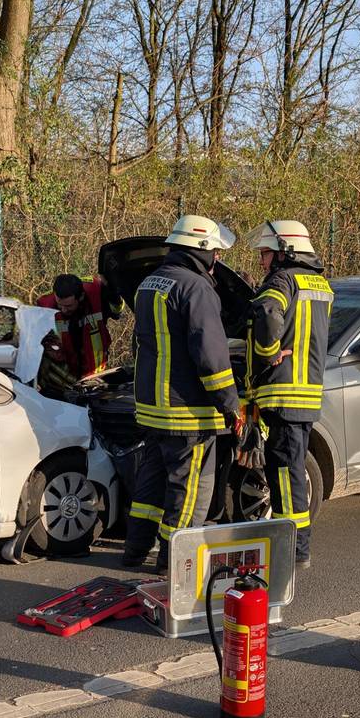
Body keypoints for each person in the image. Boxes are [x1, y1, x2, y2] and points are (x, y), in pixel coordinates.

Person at [122, 215, 241, 574]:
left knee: (151, 483)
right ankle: (175, 563)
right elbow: (211, 356)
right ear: (201, 250)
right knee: (188, 492)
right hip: (187, 410)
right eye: (216, 252)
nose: (218, 259)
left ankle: (134, 550)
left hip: (152, 408)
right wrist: (230, 404)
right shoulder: (196, 288)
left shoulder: (149, 283)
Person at [244, 220, 333, 570]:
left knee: (286, 472)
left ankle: (295, 549)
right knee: (290, 470)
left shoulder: (283, 280)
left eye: (266, 253)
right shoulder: (319, 283)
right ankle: (293, 544)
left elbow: (267, 312)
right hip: (307, 392)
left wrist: (267, 352)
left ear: (285, 251)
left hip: (283, 392)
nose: (262, 262)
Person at [37, 273, 123, 380]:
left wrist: (113, 294)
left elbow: (116, 311)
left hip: (96, 373)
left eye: (68, 306)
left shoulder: (98, 294)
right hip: (64, 377)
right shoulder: (44, 307)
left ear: (81, 297)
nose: (63, 310)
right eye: (60, 304)